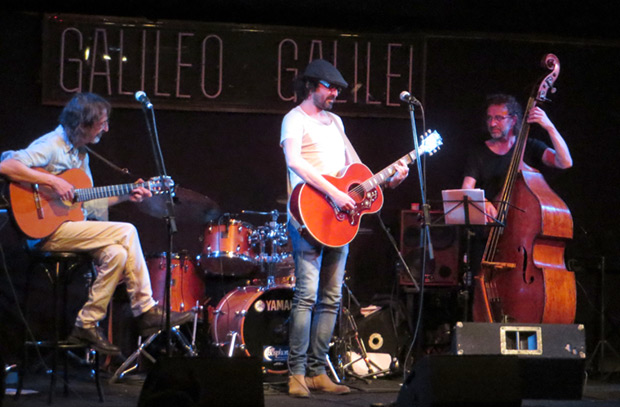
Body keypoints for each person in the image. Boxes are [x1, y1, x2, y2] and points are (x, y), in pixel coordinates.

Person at [0, 92, 193, 355]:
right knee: (128, 230)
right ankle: (146, 310)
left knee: (117, 253)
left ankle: (87, 322)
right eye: (102, 123)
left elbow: (87, 204)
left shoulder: (82, 154)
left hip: (67, 228)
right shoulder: (52, 145)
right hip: (43, 231)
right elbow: (7, 166)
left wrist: (127, 195)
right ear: (83, 124)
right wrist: (52, 181)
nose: (106, 128)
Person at [280, 59, 409, 398]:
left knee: (331, 298)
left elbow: (358, 171)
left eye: (337, 88)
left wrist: (392, 178)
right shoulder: (294, 119)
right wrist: (334, 192)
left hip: (338, 222)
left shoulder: (336, 122)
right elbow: (294, 160)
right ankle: (296, 373)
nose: (335, 93)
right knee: (306, 296)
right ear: (312, 87)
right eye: (330, 87)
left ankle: (317, 371)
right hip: (308, 215)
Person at [462, 93, 573, 220]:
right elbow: (466, 188)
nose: (492, 124)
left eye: (498, 118)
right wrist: (482, 201)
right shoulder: (479, 151)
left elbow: (565, 162)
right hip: (490, 224)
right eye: (489, 118)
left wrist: (550, 128)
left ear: (513, 120)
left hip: (523, 222)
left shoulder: (530, 146)